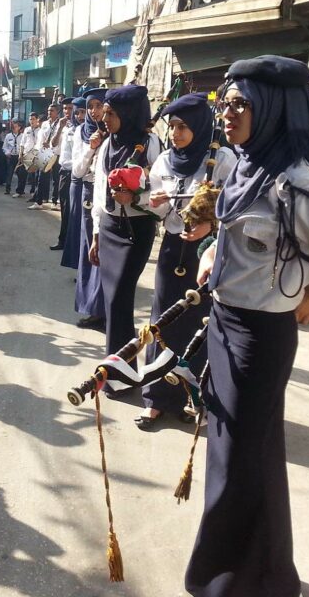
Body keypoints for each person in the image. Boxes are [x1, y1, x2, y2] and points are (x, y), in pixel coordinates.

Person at [185, 56, 309, 597]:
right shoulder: (245, 164)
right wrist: (211, 253)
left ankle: (232, 583)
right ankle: (265, 577)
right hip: (225, 323)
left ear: (271, 109)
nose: (226, 114)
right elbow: (239, 232)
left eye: (239, 104)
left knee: (239, 465)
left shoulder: (294, 182)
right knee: (244, 457)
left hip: (259, 338)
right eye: (223, 103)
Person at [135, 93, 235, 430]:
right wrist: (157, 203)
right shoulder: (164, 160)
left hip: (208, 252)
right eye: (172, 126)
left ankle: (201, 401)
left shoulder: (221, 160)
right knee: (163, 322)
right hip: (172, 248)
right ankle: (157, 400)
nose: (176, 133)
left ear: (200, 126)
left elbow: (236, 208)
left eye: (183, 127)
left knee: (202, 325)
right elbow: (158, 206)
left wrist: (211, 223)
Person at [88, 85, 161, 362]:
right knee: (111, 300)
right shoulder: (108, 143)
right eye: (104, 113)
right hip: (109, 228)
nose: (104, 119)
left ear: (128, 114)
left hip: (135, 231)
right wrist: (96, 233)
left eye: (110, 113)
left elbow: (162, 187)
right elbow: (98, 191)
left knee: (120, 297)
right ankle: (121, 366)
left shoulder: (150, 144)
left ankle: (119, 368)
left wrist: (136, 196)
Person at [70, 88, 106, 329]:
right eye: (90, 106)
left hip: (113, 197)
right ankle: (92, 308)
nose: (93, 111)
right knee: (90, 251)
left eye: (98, 106)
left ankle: (105, 307)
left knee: (107, 254)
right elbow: (77, 171)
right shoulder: (82, 133)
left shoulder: (116, 130)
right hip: (90, 192)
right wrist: (91, 147)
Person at [52, 97, 77, 250]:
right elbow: (53, 144)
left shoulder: (81, 128)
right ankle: (63, 240)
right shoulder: (65, 127)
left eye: (70, 108)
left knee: (73, 210)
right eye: (66, 109)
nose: (67, 112)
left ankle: (69, 242)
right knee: (64, 207)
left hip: (76, 173)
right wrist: (60, 128)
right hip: (63, 171)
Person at [28, 103, 61, 210]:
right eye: (48, 110)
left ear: (57, 112)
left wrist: (50, 145)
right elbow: (40, 139)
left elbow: (61, 140)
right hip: (45, 153)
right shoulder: (45, 124)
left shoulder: (61, 124)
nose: (49, 112)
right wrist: (38, 151)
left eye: (52, 111)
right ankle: (38, 202)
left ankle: (55, 202)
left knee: (56, 179)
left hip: (56, 153)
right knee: (41, 178)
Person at [14, 114, 38, 198]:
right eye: (30, 119)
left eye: (33, 119)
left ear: (37, 120)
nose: (31, 121)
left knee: (34, 175)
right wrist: (20, 154)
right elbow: (22, 143)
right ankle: (19, 191)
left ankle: (33, 191)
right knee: (21, 174)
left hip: (35, 154)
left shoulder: (40, 130)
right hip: (26, 154)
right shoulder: (27, 130)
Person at [2, 120, 21, 195]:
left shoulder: (22, 136)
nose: (14, 128)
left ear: (19, 127)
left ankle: (19, 190)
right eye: (13, 127)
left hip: (19, 157)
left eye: (16, 127)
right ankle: (7, 189)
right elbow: (4, 147)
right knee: (9, 173)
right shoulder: (8, 136)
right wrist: (7, 153)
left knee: (20, 174)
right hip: (11, 156)